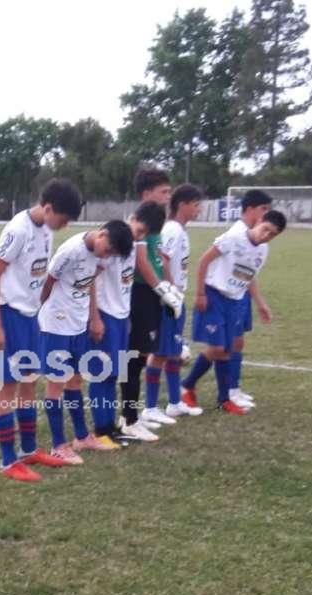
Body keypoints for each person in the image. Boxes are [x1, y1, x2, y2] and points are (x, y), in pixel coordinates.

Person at [0, 180, 82, 482]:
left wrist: (37, 313)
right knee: (7, 387)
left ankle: (28, 450)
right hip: (8, 315)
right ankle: (7, 460)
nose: (64, 226)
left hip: (29, 317)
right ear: (48, 208)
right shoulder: (18, 229)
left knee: (28, 381)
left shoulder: (46, 230)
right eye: (63, 219)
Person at [38, 220, 135, 462]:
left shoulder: (99, 255)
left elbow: (90, 282)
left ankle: (81, 437)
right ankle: (58, 445)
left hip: (79, 324)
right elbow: (48, 283)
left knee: (75, 381)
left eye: (112, 254)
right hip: (57, 325)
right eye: (108, 250)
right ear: (102, 234)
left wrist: (93, 317)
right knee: (56, 384)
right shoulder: (71, 251)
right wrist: (37, 314)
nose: (107, 256)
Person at [180, 210, 287, 412]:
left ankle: (224, 400)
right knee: (218, 348)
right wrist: (200, 294)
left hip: (234, 301)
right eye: (265, 229)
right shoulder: (233, 238)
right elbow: (204, 261)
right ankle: (187, 385)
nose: (266, 236)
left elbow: (249, 276)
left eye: (272, 234)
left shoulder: (263, 250)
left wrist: (261, 303)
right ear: (259, 221)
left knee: (227, 350)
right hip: (214, 295)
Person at [91, 202, 166, 445]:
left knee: (115, 373)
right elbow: (91, 280)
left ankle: (112, 427)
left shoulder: (133, 245)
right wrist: (95, 317)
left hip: (122, 317)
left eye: (145, 235)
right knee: (103, 374)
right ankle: (102, 429)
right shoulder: (112, 243)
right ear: (132, 218)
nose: (140, 237)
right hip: (106, 315)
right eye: (140, 230)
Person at [118, 169, 182, 440]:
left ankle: (131, 415)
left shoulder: (153, 222)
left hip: (150, 295)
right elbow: (142, 262)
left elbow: (157, 259)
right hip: (139, 294)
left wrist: (168, 287)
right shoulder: (140, 224)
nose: (168, 197)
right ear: (146, 194)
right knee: (134, 357)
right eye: (163, 192)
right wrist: (162, 289)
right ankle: (129, 419)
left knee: (141, 356)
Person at [144, 184, 204, 419]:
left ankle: (174, 403)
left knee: (173, 351)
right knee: (160, 353)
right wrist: (170, 290)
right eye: (196, 205)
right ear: (182, 205)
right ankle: (150, 407)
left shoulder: (179, 230)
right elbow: (163, 259)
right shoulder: (172, 230)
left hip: (175, 299)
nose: (199, 210)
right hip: (168, 301)